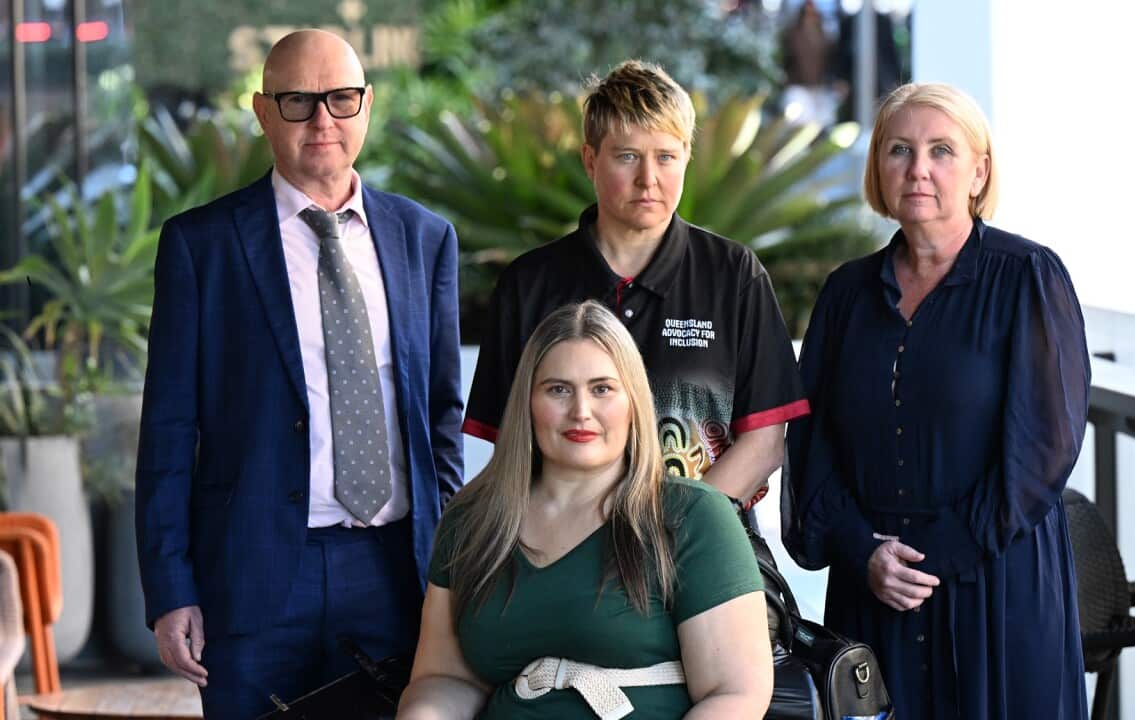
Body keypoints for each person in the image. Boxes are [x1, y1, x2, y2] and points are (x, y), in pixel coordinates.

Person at [134, 29, 463, 719]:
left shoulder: (423, 238)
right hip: (253, 577)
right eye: (298, 101)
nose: (323, 120)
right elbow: (166, 432)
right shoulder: (202, 246)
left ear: (366, 106)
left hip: (392, 571)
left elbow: (440, 423)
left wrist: (451, 567)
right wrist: (170, 590)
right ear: (261, 111)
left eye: (341, 99)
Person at [781, 82, 1090, 719]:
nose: (918, 168)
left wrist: (928, 561)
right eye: (900, 150)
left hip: (993, 587)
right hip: (872, 592)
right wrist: (864, 552)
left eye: (941, 150)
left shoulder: (1029, 277)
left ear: (979, 172)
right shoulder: (845, 295)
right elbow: (810, 444)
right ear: (878, 168)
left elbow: (1042, 450)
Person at [399, 301, 772, 719]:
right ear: (527, 402)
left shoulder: (694, 515)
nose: (581, 411)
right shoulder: (472, 519)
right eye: (558, 389)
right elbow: (445, 678)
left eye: (602, 389)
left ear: (633, 401)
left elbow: (735, 694)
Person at [464, 60, 807, 511]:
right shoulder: (528, 285)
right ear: (591, 160)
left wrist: (680, 531)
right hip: (563, 549)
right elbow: (510, 451)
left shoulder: (734, 275)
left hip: (701, 548)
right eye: (627, 156)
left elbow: (764, 443)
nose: (649, 179)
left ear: (686, 156)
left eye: (665, 156)